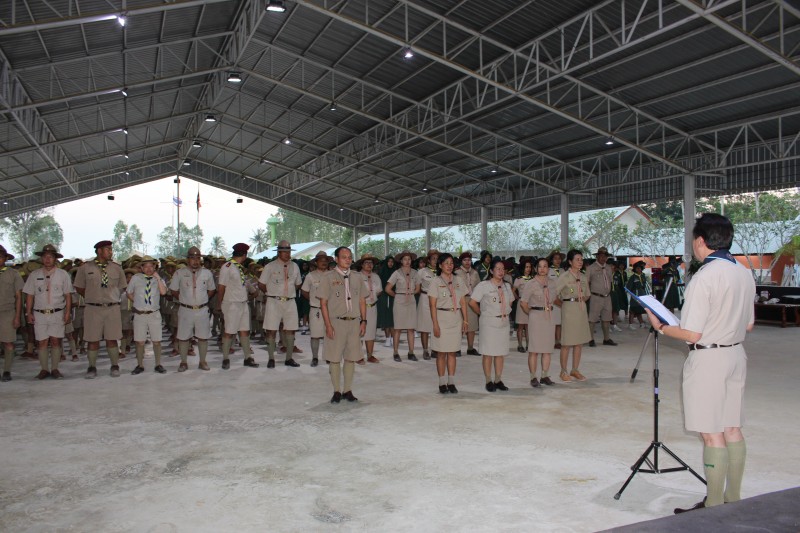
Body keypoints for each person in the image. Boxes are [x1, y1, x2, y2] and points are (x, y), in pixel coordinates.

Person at [646, 214, 755, 514]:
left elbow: (692, 333)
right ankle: (733, 498)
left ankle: (714, 506)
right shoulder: (744, 273)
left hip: (709, 359)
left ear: (700, 241)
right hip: (736, 354)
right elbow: (748, 324)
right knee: (732, 428)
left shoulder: (704, 276)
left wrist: (661, 326)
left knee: (711, 433)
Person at [318, 246, 367, 404]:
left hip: (353, 322)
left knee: (351, 357)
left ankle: (347, 390)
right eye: (344, 257)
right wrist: (328, 325)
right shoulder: (327, 277)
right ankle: (336, 391)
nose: (348, 260)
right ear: (336, 259)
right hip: (336, 322)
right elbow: (323, 303)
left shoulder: (357, 277)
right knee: (334, 358)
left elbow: (362, 300)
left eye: (350, 257)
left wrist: (363, 321)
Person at [74, 240, 127, 378]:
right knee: (92, 339)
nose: (111, 252)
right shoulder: (85, 268)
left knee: (112, 338)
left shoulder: (116, 268)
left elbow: (122, 287)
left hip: (112, 308)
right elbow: (79, 287)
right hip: (93, 308)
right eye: (108, 249)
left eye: (111, 249)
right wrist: (92, 296)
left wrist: (111, 297)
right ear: (99, 251)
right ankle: (92, 367)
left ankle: (114, 365)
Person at [23, 245, 72, 380]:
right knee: (42, 341)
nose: (47, 259)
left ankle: (55, 369)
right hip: (39, 313)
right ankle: (44, 369)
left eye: (50, 256)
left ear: (55, 259)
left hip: (57, 312)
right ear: (41, 258)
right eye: (45, 256)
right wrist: (28, 313)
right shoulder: (34, 275)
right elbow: (30, 295)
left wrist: (67, 312)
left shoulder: (63, 275)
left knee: (56, 341)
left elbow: (68, 295)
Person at [469, 259, 515, 392]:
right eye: (498, 269)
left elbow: (511, 301)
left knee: (500, 353)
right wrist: (482, 313)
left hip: (503, 323)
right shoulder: (484, 285)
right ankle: (488, 380)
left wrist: (504, 312)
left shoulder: (507, 286)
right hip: (489, 323)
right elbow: (472, 302)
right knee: (488, 353)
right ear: (491, 271)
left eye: (503, 269)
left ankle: (498, 380)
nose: (501, 271)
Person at [169, 246, 216, 372]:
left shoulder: (207, 273)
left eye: (197, 258)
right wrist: (183, 299)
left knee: (203, 337)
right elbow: (173, 290)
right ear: (187, 259)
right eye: (192, 258)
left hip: (202, 309)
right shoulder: (179, 273)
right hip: (185, 310)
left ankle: (202, 361)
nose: (195, 261)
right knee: (183, 337)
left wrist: (203, 299)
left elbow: (211, 289)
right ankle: (183, 362)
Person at [257, 240, 302, 368]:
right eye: (284, 252)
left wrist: (289, 291)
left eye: (289, 251)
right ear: (279, 252)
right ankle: (271, 358)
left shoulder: (295, 266)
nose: (287, 254)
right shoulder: (270, 266)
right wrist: (271, 293)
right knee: (271, 330)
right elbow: (261, 284)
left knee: (291, 330)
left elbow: (298, 284)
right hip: (274, 301)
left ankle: (289, 358)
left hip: (290, 301)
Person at [429, 253, 468, 394]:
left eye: (451, 263)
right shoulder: (435, 281)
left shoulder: (459, 280)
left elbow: (463, 302)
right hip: (441, 318)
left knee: (452, 352)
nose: (449, 266)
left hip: (455, 318)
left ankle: (451, 382)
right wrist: (435, 324)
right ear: (440, 265)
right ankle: (441, 382)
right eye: (446, 263)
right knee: (441, 353)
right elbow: (432, 305)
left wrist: (465, 320)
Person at [218, 243, 259, 369]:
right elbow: (221, 287)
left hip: (243, 304)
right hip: (232, 304)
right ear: (244, 255)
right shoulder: (227, 267)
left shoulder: (239, 268)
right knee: (229, 332)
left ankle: (248, 358)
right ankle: (225, 358)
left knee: (244, 331)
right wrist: (220, 304)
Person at [126, 255, 168, 374]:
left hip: (154, 314)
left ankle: (158, 364)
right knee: (140, 341)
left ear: (154, 267)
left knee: (157, 341)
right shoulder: (136, 278)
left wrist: (158, 278)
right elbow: (129, 292)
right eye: (146, 266)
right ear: (142, 268)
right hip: (140, 314)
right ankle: (140, 365)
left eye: (151, 266)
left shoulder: (158, 279)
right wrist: (137, 302)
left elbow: (163, 292)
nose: (149, 269)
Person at [555, 249, 591, 383]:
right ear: (570, 262)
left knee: (579, 342)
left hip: (580, 310)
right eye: (577, 259)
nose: (580, 262)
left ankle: (575, 369)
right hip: (569, 310)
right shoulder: (564, 277)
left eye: (581, 259)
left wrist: (579, 301)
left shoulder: (583, 277)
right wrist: (565, 305)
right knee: (566, 343)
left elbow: (587, 294)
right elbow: (554, 295)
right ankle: (563, 371)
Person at [520, 258, 557, 387]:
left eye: (545, 266)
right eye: (540, 266)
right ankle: (533, 377)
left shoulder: (552, 283)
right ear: (536, 268)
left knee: (547, 349)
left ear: (548, 268)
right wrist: (531, 313)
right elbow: (523, 302)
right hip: (536, 317)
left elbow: (554, 298)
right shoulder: (531, 283)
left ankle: (545, 376)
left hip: (549, 316)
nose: (542, 269)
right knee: (534, 350)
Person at [385, 251, 418, 362]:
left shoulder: (415, 273)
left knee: (411, 328)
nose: (407, 261)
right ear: (401, 261)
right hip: (399, 301)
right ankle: (395, 352)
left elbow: (418, 287)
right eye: (405, 259)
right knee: (398, 328)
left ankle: (411, 352)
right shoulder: (397, 273)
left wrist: (411, 293)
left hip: (411, 300)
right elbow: (387, 289)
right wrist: (397, 295)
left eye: (409, 259)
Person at [301, 251, 330, 367]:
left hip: (330, 310)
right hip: (316, 309)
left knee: (330, 334)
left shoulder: (333, 275)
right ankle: (315, 357)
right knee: (315, 335)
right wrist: (313, 299)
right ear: (316, 262)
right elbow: (304, 291)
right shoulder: (310, 276)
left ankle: (329, 356)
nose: (323, 262)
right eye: (321, 261)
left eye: (325, 261)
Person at [0, 245, 23, 382]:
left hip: (8, 312)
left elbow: (19, 297)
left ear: (5, 258)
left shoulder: (13, 274)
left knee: (8, 342)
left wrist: (17, 317)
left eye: (0, 256)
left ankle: (7, 371)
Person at [586, 247, 617, 347]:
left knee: (607, 318)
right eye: (602, 256)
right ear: (597, 256)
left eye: (605, 256)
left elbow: (610, 281)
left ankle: (606, 339)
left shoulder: (608, 267)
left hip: (607, 297)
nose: (604, 258)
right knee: (592, 319)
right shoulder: (591, 268)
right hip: (596, 296)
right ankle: (590, 339)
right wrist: (587, 295)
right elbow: (586, 282)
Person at [357, 253, 382, 364]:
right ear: (362, 265)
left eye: (371, 263)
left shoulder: (376, 277)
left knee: (371, 332)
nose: (369, 264)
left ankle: (370, 355)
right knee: (359, 333)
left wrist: (373, 298)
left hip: (372, 307)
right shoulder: (357, 277)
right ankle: (358, 356)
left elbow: (379, 291)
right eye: (366, 262)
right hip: (360, 308)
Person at [455, 251, 480, 356]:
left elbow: (478, 287)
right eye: (465, 260)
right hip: (460, 300)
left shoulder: (475, 273)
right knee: (460, 325)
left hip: (472, 299)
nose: (467, 262)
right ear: (461, 261)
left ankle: (470, 348)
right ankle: (456, 348)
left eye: (469, 260)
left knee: (472, 325)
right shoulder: (456, 273)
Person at [416, 249, 439, 360]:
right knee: (424, 327)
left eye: (437, 258)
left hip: (439, 300)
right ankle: (425, 350)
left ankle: (435, 349)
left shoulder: (441, 271)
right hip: (425, 299)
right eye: (433, 258)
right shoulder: (422, 272)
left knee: (436, 325)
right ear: (428, 260)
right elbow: (417, 287)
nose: (435, 260)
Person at [513, 259, 534, 353]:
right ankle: (520, 345)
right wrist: (517, 298)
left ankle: (529, 345)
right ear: (523, 268)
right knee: (521, 326)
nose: (528, 269)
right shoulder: (519, 279)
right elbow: (512, 291)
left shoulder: (533, 279)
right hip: (522, 303)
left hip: (531, 303)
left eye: (529, 267)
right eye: (526, 267)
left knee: (529, 326)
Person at [376, 255, 396, 348]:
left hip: (395, 297)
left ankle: (393, 338)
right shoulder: (381, 272)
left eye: (392, 261)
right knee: (386, 317)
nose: (390, 263)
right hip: (384, 297)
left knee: (394, 318)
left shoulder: (396, 273)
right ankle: (387, 338)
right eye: (389, 261)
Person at [547, 250, 566, 350]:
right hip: (552, 299)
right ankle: (551, 340)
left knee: (559, 322)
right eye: (555, 259)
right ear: (552, 260)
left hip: (561, 298)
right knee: (552, 321)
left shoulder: (563, 271)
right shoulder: (548, 271)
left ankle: (558, 341)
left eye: (559, 259)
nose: (558, 260)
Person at [625, 261, 649, 328]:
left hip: (642, 294)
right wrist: (633, 295)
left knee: (640, 309)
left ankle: (641, 323)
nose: (638, 269)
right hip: (635, 295)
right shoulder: (633, 277)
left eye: (640, 268)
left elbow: (644, 285)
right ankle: (630, 324)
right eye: (637, 268)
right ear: (635, 269)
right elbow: (628, 287)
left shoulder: (643, 275)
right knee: (633, 309)